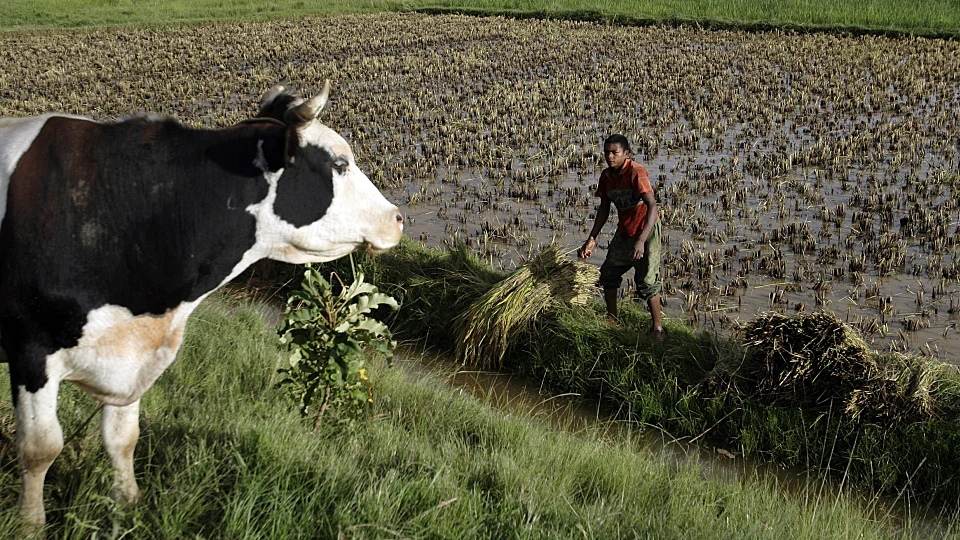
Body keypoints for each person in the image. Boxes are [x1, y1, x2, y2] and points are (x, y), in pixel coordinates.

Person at [578, 134, 664, 340]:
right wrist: (592, 238)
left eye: (614, 152)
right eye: (607, 152)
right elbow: (605, 208)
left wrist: (641, 241)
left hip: (646, 231)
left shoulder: (636, 172)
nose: (609, 156)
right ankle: (612, 319)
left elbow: (652, 206)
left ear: (626, 153)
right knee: (608, 273)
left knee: (646, 281)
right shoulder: (607, 177)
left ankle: (658, 329)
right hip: (625, 230)